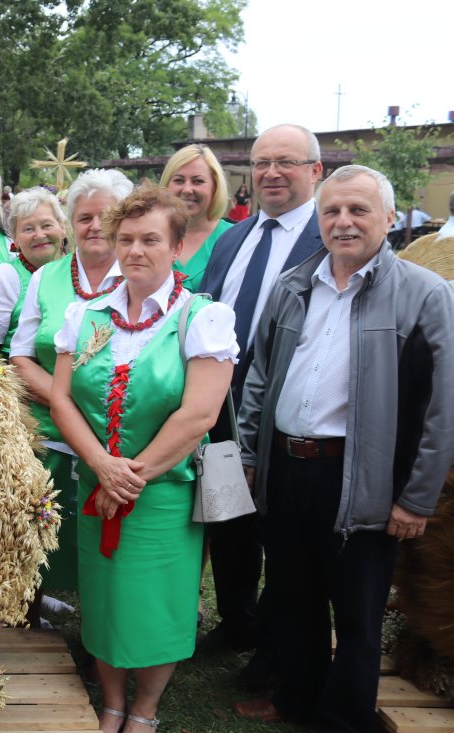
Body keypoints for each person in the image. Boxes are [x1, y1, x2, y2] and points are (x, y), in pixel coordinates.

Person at [234, 165, 454, 732]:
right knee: (292, 594)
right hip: (287, 467)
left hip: (363, 477)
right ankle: (296, 699)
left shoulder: (425, 295)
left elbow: (442, 408)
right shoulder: (294, 285)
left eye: (358, 210)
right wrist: (252, 456)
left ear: (388, 217)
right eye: (332, 211)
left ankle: (343, 720)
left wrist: (417, 499)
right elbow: (259, 376)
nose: (344, 221)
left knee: (356, 612)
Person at [50, 185, 237, 733]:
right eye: (125, 239)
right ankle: (111, 701)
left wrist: (129, 477)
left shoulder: (202, 318)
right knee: (104, 599)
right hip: (95, 486)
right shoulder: (85, 316)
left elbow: (198, 415)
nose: (135, 250)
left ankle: (146, 708)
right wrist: (101, 468)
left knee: (155, 603)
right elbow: (61, 398)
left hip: (162, 495)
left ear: (176, 247)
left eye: (150, 239)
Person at [198, 124, 325, 672]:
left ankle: (279, 645)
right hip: (223, 407)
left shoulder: (331, 235)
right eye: (263, 162)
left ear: (315, 171)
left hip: (287, 409)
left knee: (283, 531)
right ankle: (238, 620)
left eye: (287, 162)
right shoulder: (234, 236)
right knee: (228, 517)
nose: (272, 173)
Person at [9, 169, 133, 597]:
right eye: (84, 217)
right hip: (51, 430)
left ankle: (110, 602)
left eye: (107, 215)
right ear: (71, 224)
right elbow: (20, 356)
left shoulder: (141, 273)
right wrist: (67, 404)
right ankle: (37, 599)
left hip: (121, 436)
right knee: (42, 529)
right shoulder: (47, 277)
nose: (95, 226)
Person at [0, 187, 66, 351]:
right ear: (15, 239)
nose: (39, 235)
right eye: (28, 229)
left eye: (47, 225)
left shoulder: (79, 270)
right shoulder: (5, 277)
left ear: (62, 228)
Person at [162, 144, 232, 291]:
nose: (187, 189)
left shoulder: (236, 239)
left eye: (198, 181)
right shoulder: (148, 235)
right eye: (179, 180)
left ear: (215, 187)